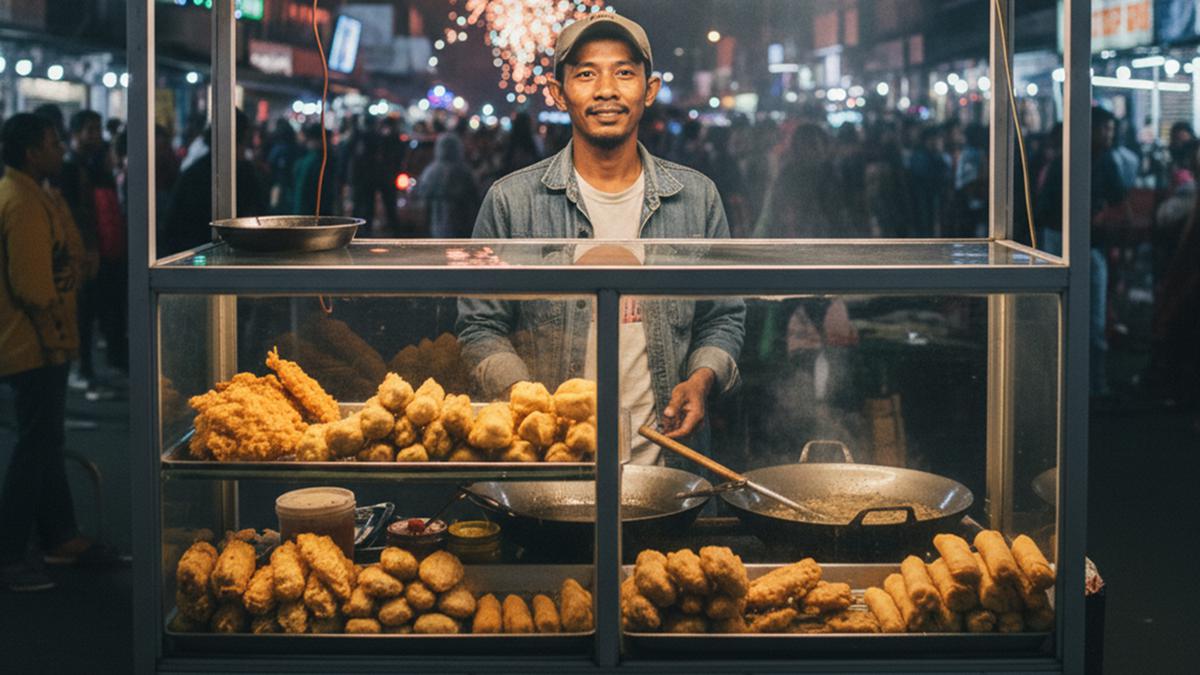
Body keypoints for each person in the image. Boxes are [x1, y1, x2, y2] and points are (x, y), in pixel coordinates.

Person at [456, 13, 745, 464]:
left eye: (624, 72)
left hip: (668, 468)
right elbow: (479, 326)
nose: (606, 89)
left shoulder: (696, 198)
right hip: (549, 466)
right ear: (558, 91)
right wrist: (529, 401)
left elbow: (723, 316)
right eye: (586, 73)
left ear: (649, 90)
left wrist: (702, 377)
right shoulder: (510, 202)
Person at [0, 114, 117, 591]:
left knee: (44, 442)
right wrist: (64, 293)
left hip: (40, 341)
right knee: (34, 445)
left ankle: (59, 535)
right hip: (33, 343)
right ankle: (8, 554)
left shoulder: (34, 193)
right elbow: (34, 285)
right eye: (52, 143)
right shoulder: (23, 201)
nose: (61, 149)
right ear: (31, 152)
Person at [161, 109, 266, 257]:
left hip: (194, 259)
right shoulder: (245, 173)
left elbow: (171, 226)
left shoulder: (193, 172)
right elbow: (260, 216)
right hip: (236, 259)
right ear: (240, 139)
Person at [414, 133, 480, 238]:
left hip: (439, 221)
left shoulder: (432, 171)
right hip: (461, 222)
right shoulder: (463, 170)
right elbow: (475, 196)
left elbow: (422, 193)